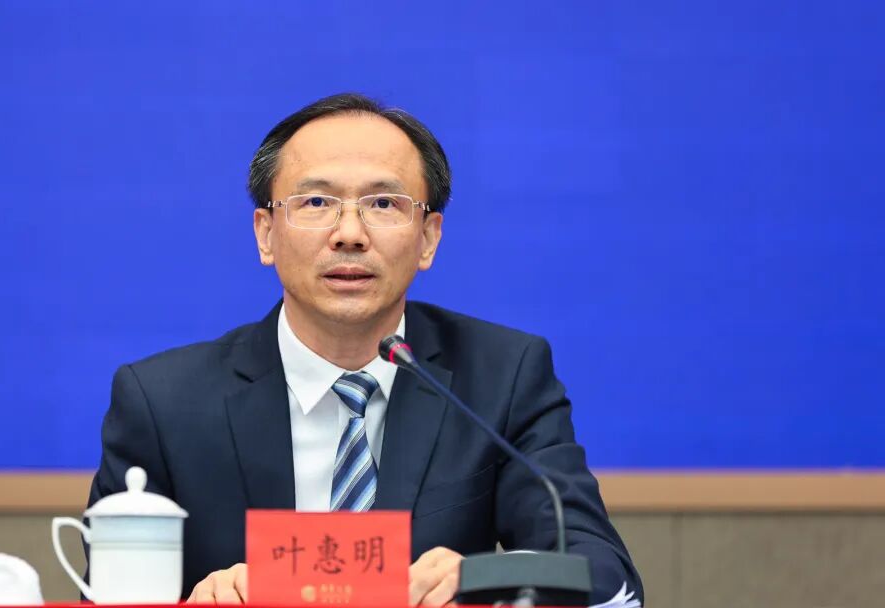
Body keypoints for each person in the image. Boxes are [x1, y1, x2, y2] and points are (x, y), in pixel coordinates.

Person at [87, 93, 643, 606]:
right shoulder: (164, 402)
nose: (349, 233)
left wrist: (480, 579)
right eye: (316, 201)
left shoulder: (502, 376)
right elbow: (104, 597)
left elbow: (606, 577)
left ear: (428, 238)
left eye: (382, 203)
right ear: (266, 234)